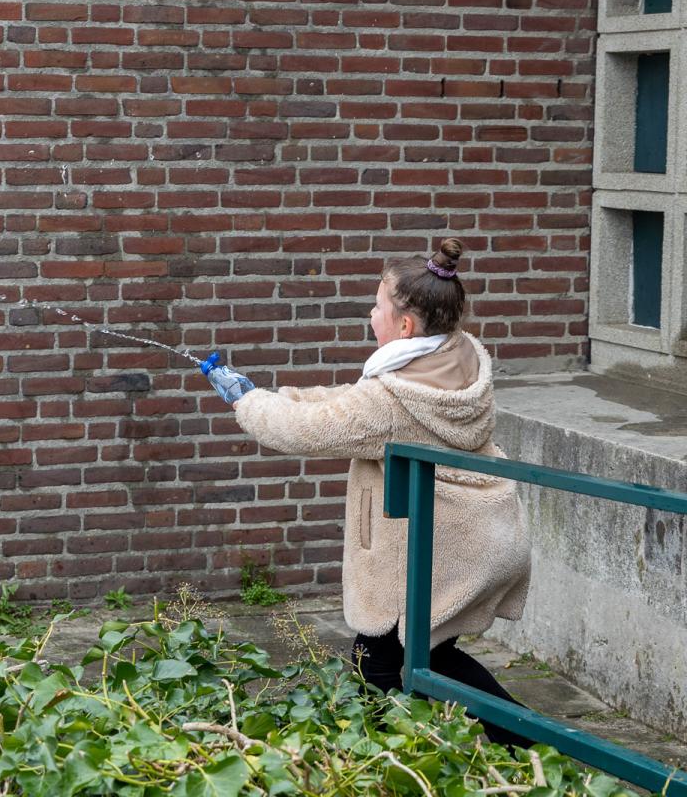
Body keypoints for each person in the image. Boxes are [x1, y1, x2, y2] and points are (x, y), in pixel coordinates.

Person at [217, 238, 531, 748]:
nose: (370, 313)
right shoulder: (457, 355)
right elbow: (348, 404)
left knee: (380, 663)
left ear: (404, 326)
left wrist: (247, 403)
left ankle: (521, 741)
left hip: (434, 550)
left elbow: (306, 430)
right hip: (469, 535)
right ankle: (518, 740)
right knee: (426, 657)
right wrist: (279, 395)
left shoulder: (392, 401)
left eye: (377, 306)